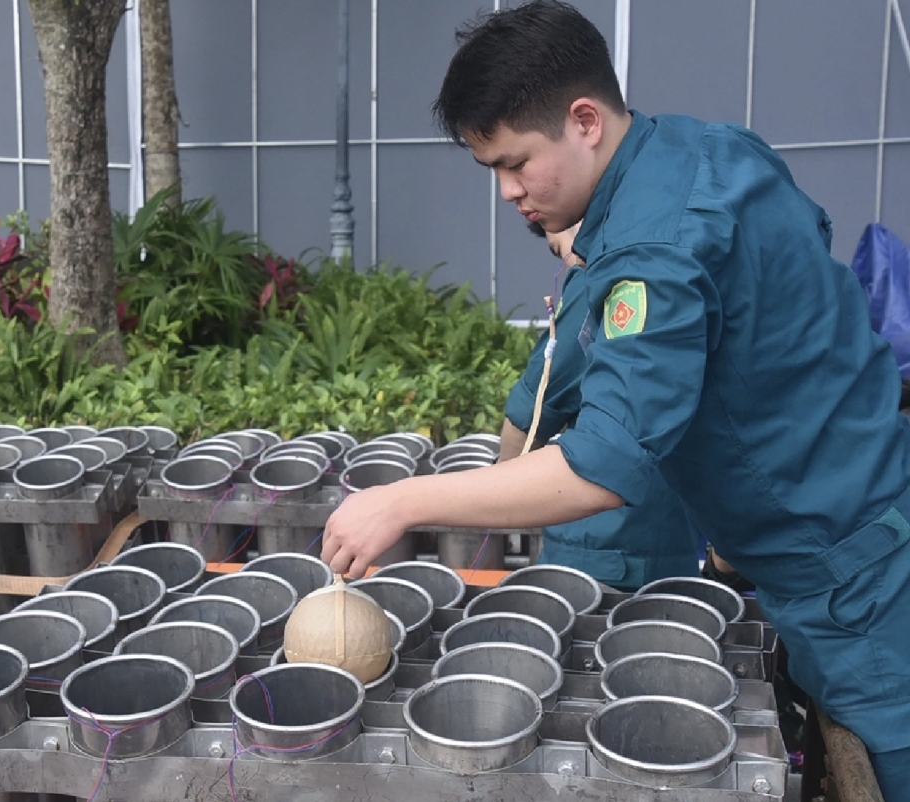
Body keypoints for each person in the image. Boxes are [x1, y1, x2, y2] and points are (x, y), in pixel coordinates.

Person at [320, 0, 910, 789]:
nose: (506, 192)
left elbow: (600, 468)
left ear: (586, 120)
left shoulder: (653, 250)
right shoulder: (707, 150)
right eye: (490, 168)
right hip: (857, 522)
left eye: (515, 162)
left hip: (854, 586)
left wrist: (403, 503)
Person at [501, 220, 701, 591]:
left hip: (604, 551)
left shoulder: (597, 278)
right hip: (672, 533)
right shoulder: (677, 270)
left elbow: (530, 417)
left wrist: (499, 495)